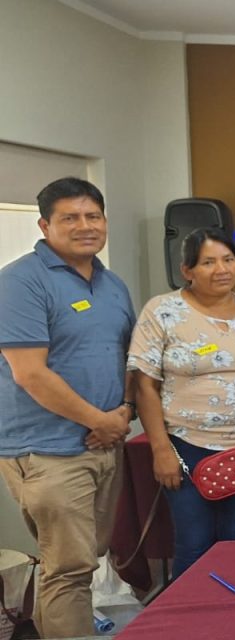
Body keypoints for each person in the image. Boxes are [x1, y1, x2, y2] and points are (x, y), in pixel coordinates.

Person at [0, 177, 135, 638]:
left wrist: (124, 411)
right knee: (68, 571)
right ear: (44, 225)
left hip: (103, 443)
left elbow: (128, 359)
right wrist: (101, 421)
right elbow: (30, 374)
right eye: (70, 218)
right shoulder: (19, 282)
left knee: (84, 560)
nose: (85, 226)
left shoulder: (112, 284)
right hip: (48, 451)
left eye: (92, 216)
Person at [128, 227, 235, 578]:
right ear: (187, 270)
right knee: (195, 543)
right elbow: (144, 385)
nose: (221, 269)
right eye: (208, 262)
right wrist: (161, 449)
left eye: (228, 259)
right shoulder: (162, 311)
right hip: (186, 448)